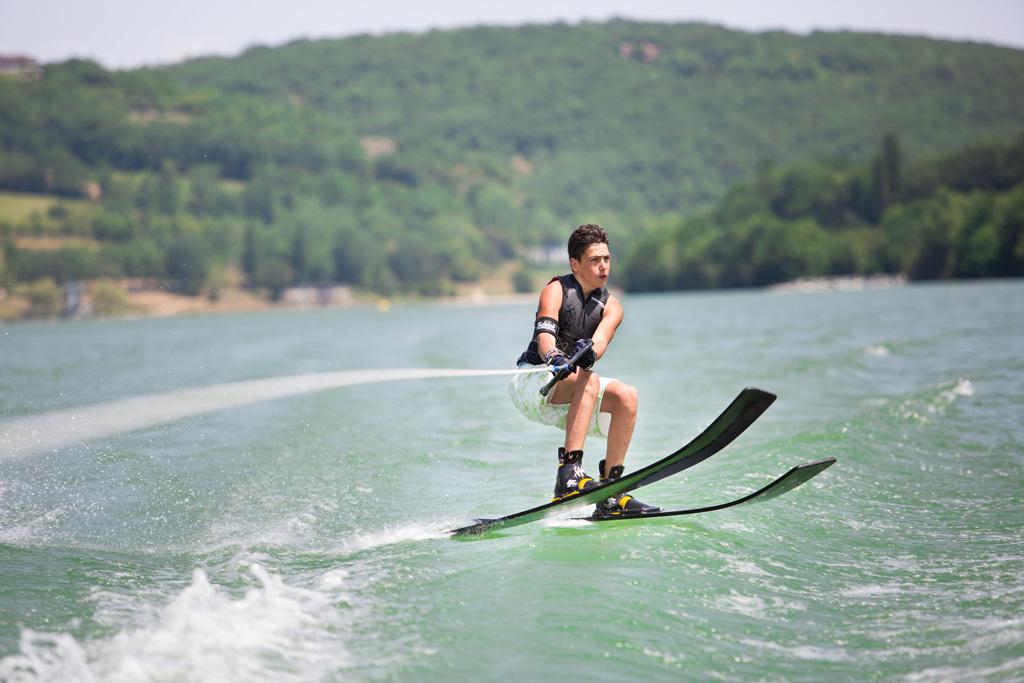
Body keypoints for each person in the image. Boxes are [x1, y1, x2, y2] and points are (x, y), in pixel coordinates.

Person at [509, 224, 659, 516]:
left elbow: (600, 341)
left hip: (573, 390)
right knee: (589, 381)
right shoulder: (556, 290)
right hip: (532, 383)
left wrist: (590, 351)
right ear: (574, 264)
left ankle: (611, 492)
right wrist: (553, 355)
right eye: (594, 260)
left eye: (606, 259)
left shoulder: (612, 306)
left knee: (627, 396)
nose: (603, 266)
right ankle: (569, 474)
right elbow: (545, 337)